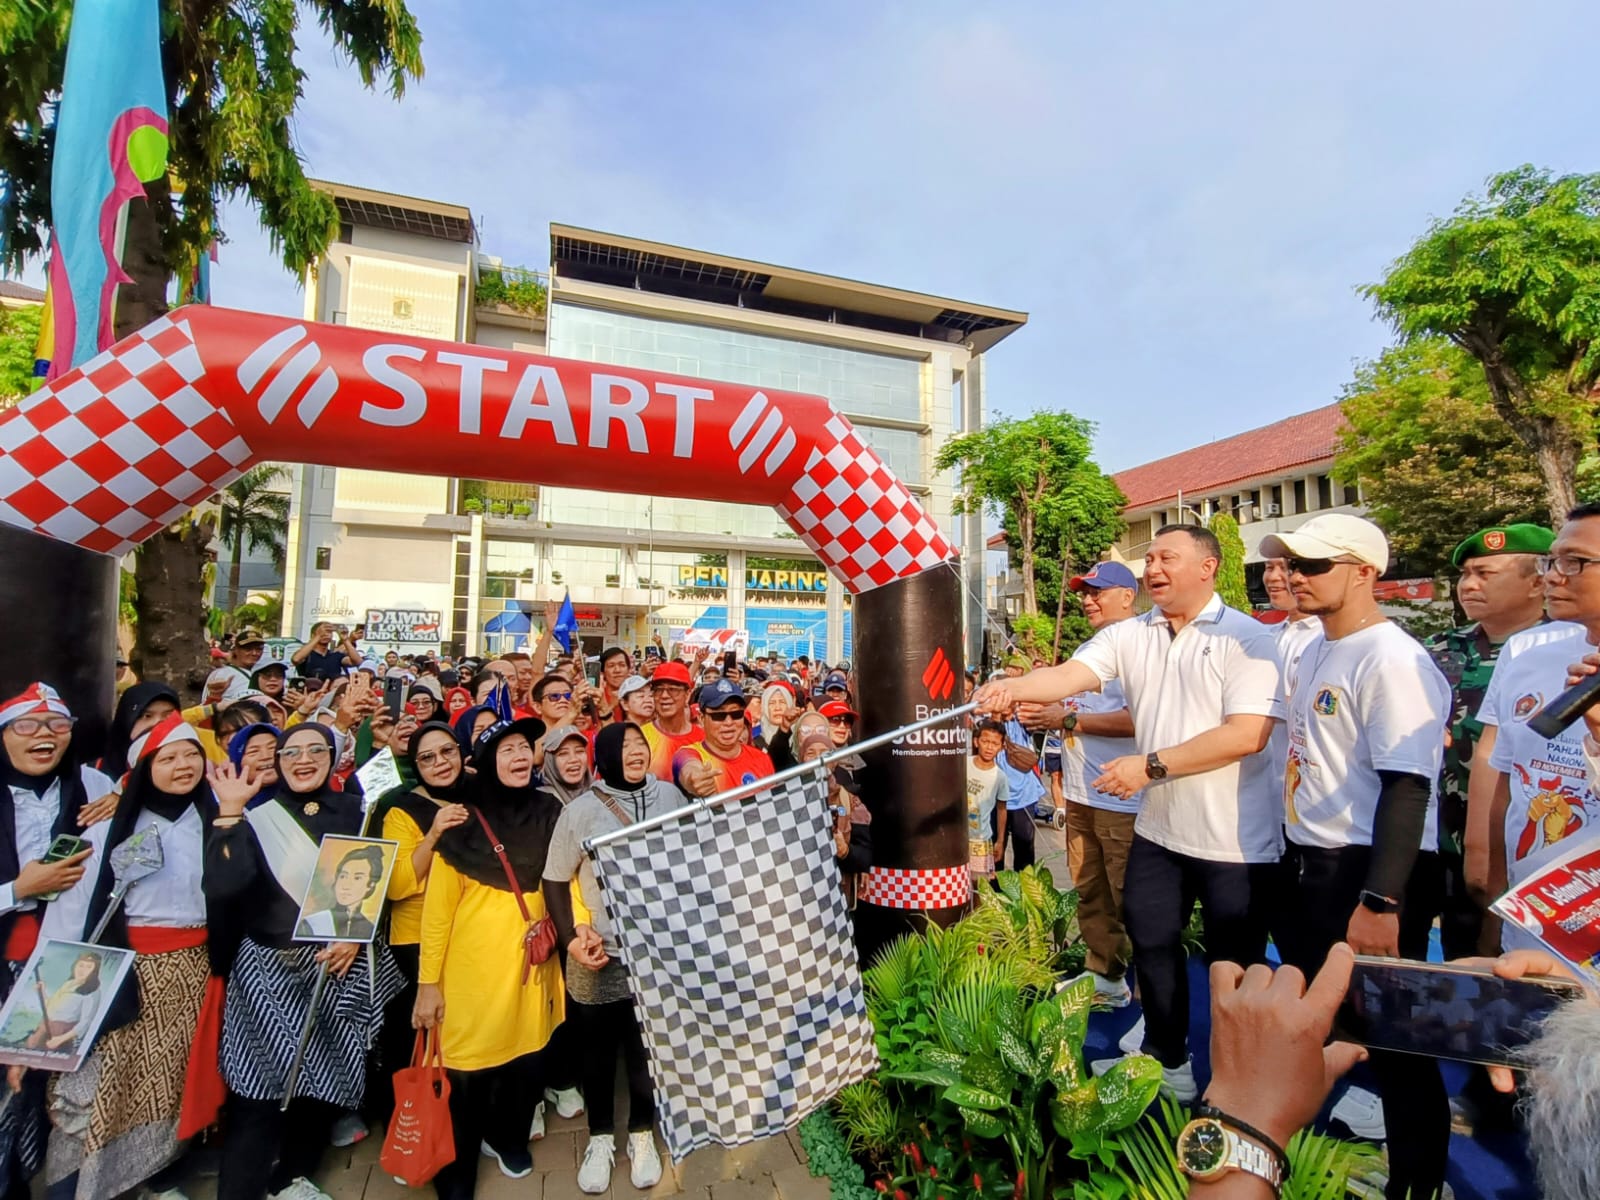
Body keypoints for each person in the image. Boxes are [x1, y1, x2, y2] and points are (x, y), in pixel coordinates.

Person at [974, 524, 1283, 1102]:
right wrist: (1014, 689)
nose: (1154, 568)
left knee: (1233, 964)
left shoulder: (1248, 638)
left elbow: (1247, 735)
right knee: (1152, 940)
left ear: (1208, 567)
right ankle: (1168, 1062)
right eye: (1151, 558)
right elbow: (1067, 677)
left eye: (1168, 557)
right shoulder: (1130, 635)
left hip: (1235, 840)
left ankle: (1243, 1085)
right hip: (1160, 830)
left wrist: (1151, 766)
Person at [1257, 515, 1451, 1200]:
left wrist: (1381, 899)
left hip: (1370, 869)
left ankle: (1420, 1183)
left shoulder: (1392, 658)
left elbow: (1408, 785)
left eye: (1314, 565)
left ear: (1366, 571)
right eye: (1291, 565)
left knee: (1397, 1040)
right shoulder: (1315, 647)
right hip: (1313, 861)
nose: (1295, 577)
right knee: (1333, 1018)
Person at [204, 724, 401, 1200]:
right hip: (268, 968)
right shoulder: (256, 817)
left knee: (324, 1079)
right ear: (279, 761)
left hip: (336, 964)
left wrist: (356, 938)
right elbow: (224, 887)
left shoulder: (360, 810)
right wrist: (229, 813)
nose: (304, 759)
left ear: (333, 757)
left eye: (316, 749)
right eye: (291, 752)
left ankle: (292, 1176)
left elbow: (382, 886)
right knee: (257, 1089)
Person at [39, 713, 224, 1200]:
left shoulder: (218, 822)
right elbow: (69, 917)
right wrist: (49, 1005)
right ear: (144, 769)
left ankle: (146, 1180)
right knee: (99, 1087)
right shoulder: (108, 831)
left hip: (190, 977)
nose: (183, 766)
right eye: (168, 758)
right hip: (119, 977)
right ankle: (74, 1188)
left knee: (163, 1086)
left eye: (191, 755)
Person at [413, 717, 564, 1200]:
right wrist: (428, 984)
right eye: (506, 750)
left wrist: (578, 930)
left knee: (527, 1063)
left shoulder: (549, 810)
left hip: (532, 969)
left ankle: (508, 1137)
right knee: (467, 1076)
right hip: (473, 980)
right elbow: (437, 916)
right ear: (484, 763)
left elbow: (569, 879)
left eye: (523, 747)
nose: (519, 756)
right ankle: (455, 1168)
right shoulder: (460, 823)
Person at [541, 724, 673, 1194]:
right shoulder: (580, 810)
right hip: (599, 952)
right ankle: (599, 1137)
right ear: (607, 754)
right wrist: (570, 939)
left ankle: (641, 1134)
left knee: (645, 1050)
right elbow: (555, 879)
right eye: (625, 746)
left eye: (640, 744)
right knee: (596, 1053)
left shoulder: (670, 797)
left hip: (656, 952)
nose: (635, 752)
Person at [1468, 507, 1600, 947]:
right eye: (1551, 561)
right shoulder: (1527, 653)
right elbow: (1508, 782)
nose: (1553, 577)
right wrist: (1496, 899)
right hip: (1528, 924)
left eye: (1574, 562)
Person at [1423, 524, 1553, 963]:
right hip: (1436, 837)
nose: (1468, 585)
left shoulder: (1559, 653)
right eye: (1465, 574)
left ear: (1537, 582)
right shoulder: (1437, 649)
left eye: (1485, 574)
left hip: (1517, 845)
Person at [1021, 561, 1140, 1008]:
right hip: (1079, 794)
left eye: (1098, 592)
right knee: (1090, 890)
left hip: (1121, 798)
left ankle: (1152, 993)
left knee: (1130, 897)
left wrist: (1068, 719)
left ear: (1127, 596)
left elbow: (1143, 719)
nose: (1088, 600)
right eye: (1084, 593)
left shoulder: (1140, 645)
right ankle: (1105, 975)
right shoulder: (1092, 647)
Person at [369, 723, 470, 1123]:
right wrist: (434, 834)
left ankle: (460, 1118)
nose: (440, 763)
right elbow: (396, 885)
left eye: (447, 752)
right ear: (416, 765)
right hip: (417, 939)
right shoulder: (400, 808)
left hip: (467, 931)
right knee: (423, 1031)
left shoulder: (476, 792)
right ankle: (413, 1123)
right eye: (427, 758)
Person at [795, 721, 871, 909]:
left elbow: (864, 856)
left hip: (838, 902)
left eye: (825, 753)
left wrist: (846, 851)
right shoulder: (787, 800)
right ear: (801, 759)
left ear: (834, 761)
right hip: (798, 901)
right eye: (811, 753)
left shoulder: (850, 803)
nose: (818, 759)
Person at [674, 680, 773, 798]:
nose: (729, 722)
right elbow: (687, 766)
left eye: (736, 714)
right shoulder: (688, 753)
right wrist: (694, 777)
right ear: (701, 719)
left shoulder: (761, 759)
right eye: (719, 715)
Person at [293, 845, 383, 940]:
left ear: (371, 884)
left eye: (357, 878)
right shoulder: (311, 924)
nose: (346, 885)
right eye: (343, 876)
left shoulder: (370, 928)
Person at [97, 683, 180, 779]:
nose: (157, 723)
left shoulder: (188, 769)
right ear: (126, 721)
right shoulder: (93, 778)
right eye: (147, 716)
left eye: (168, 715)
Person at [966, 720, 1009, 883]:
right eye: (985, 741)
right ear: (976, 742)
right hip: (958, 836)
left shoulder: (1000, 777)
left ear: (1002, 747)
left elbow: (1002, 809)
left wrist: (1000, 841)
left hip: (981, 839)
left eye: (995, 743)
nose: (989, 747)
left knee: (979, 885)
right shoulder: (963, 764)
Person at [641, 662, 701, 780]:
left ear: (687, 694)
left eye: (673, 689)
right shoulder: (641, 737)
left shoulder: (703, 739)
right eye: (658, 690)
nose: (664, 696)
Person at [540, 727, 593, 806]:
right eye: (563, 753)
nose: (573, 759)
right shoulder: (540, 803)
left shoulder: (602, 793)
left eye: (579, 751)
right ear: (550, 761)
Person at [291, 624, 359, 683]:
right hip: (309, 690)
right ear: (313, 635)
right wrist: (318, 637)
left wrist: (345, 640)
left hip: (332, 691)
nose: (325, 634)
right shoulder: (307, 654)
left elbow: (357, 661)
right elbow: (296, 659)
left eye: (329, 632)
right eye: (322, 632)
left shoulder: (335, 655)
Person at [595, 648, 631, 723]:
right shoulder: (596, 697)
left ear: (628, 670)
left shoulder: (636, 696)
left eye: (622, 665)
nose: (617, 670)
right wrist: (611, 706)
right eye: (611, 666)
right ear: (602, 672)